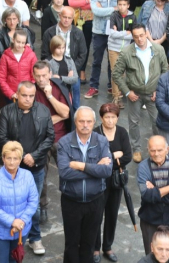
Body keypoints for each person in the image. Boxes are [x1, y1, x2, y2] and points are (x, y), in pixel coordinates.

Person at [0, 81, 54, 255]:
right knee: (11, 202)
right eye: (24, 95)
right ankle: (12, 235)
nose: (28, 99)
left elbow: (50, 137)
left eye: (31, 96)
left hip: (35, 167)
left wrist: (34, 156)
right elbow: (1, 137)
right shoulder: (7, 111)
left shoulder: (43, 110)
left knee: (33, 205)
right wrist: (20, 156)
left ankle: (34, 238)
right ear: (17, 94)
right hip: (13, 168)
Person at [57, 106, 113, 263]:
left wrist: (81, 166)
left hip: (95, 201)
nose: (85, 125)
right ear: (75, 122)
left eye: (89, 121)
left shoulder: (102, 141)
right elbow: (65, 173)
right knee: (71, 244)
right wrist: (95, 167)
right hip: (71, 201)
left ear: (94, 122)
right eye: (81, 121)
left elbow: (107, 171)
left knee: (89, 244)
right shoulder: (64, 142)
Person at [112, 24, 169, 162]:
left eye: (142, 35)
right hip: (134, 94)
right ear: (132, 36)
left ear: (146, 34)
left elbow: (165, 70)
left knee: (157, 122)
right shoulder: (127, 52)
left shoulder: (158, 49)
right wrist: (126, 92)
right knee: (133, 122)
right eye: (136, 36)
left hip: (153, 93)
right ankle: (136, 149)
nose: (139, 39)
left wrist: (159, 90)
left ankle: (158, 148)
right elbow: (116, 74)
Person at [32, 61, 73, 224]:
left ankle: (71, 201)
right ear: (34, 76)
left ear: (50, 74)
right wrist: (57, 116)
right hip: (40, 141)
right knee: (41, 175)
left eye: (44, 75)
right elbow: (34, 120)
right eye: (38, 76)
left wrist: (50, 96)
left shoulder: (59, 87)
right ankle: (42, 207)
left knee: (68, 173)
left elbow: (67, 113)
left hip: (61, 138)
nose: (41, 79)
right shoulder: (31, 91)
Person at [0, 141, 39, 263]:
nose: (11, 162)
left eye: (15, 158)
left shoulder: (28, 176)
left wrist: (22, 221)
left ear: (20, 160)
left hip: (21, 230)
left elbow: (33, 201)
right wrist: (12, 221)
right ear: (3, 158)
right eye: (8, 158)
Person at [93, 103, 132, 263]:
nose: (110, 120)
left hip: (115, 180)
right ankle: (95, 248)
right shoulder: (95, 133)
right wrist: (114, 155)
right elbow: (94, 158)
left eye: (113, 117)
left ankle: (107, 246)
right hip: (99, 180)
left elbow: (128, 156)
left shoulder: (122, 132)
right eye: (107, 117)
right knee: (96, 215)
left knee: (112, 214)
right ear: (101, 118)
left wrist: (107, 160)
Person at [137, 135, 169, 256]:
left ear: (167, 149)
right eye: (152, 150)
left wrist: (155, 191)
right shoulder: (143, 167)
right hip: (150, 220)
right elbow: (146, 196)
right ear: (148, 150)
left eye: (160, 150)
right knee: (152, 256)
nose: (156, 154)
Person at [86, 0, 123, 98]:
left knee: (112, 60)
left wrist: (104, 9)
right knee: (97, 60)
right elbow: (96, 11)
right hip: (99, 31)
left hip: (114, 32)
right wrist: (113, 8)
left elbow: (122, 10)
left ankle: (111, 86)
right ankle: (93, 86)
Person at [67, 0, 97, 84]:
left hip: (89, 19)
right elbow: (71, 2)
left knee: (86, 45)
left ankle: (83, 70)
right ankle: (73, 69)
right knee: (74, 44)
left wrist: (81, 3)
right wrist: (85, 2)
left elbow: (95, 2)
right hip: (75, 19)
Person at [106, 0, 136, 109]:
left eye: (124, 5)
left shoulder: (132, 16)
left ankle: (123, 93)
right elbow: (111, 34)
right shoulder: (113, 15)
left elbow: (133, 33)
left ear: (128, 5)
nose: (122, 7)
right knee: (115, 72)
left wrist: (119, 33)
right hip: (113, 48)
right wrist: (125, 33)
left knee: (124, 73)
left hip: (126, 49)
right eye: (120, 4)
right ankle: (116, 97)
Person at [0, 30, 37, 105]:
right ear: (13, 40)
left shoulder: (31, 55)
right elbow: (1, 78)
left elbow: (34, 76)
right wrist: (11, 94)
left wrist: (29, 91)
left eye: (23, 43)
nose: (20, 45)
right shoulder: (5, 56)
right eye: (18, 42)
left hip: (27, 94)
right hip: (12, 95)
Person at [0, 7, 35, 76]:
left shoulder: (25, 31)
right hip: (5, 67)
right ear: (5, 20)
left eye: (14, 19)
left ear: (18, 19)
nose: (12, 22)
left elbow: (31, 49)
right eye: (9, 19)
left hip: (24, 66)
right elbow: (1, 53)